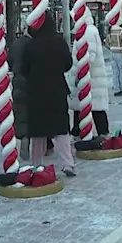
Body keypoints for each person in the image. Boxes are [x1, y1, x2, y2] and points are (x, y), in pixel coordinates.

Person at [21, 11, 76, 176]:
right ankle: (68, 163)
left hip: (36, 91)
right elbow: (68, 64)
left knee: (37, 131)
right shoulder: (59, 42)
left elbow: (23, 69)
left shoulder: (30, 45)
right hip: (57, 89)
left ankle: (36, 164)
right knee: (60, 128)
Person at [71, 24, 110, 138]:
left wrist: (80, 75)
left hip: (90, 79)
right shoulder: (85, 30)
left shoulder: (87, 31)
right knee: (82, 108)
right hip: (88, 79)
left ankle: (101, 135)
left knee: (93, 108)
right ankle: (81, 133)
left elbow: (89, 57)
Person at [9, 28, 31, 161]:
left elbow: (10, 61)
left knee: (20, 110)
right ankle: (45, 144)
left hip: (18, 79)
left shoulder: (16, 44)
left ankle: (23, 136)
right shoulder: (34, 44)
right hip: (32, 79)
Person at [107, 23, 122, 96]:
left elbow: (107, 43)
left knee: (115, 71)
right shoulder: (121, 31)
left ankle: (116, 87)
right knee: (121, 71)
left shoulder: (110, 30)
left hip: (112, 52)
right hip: (120, 53)